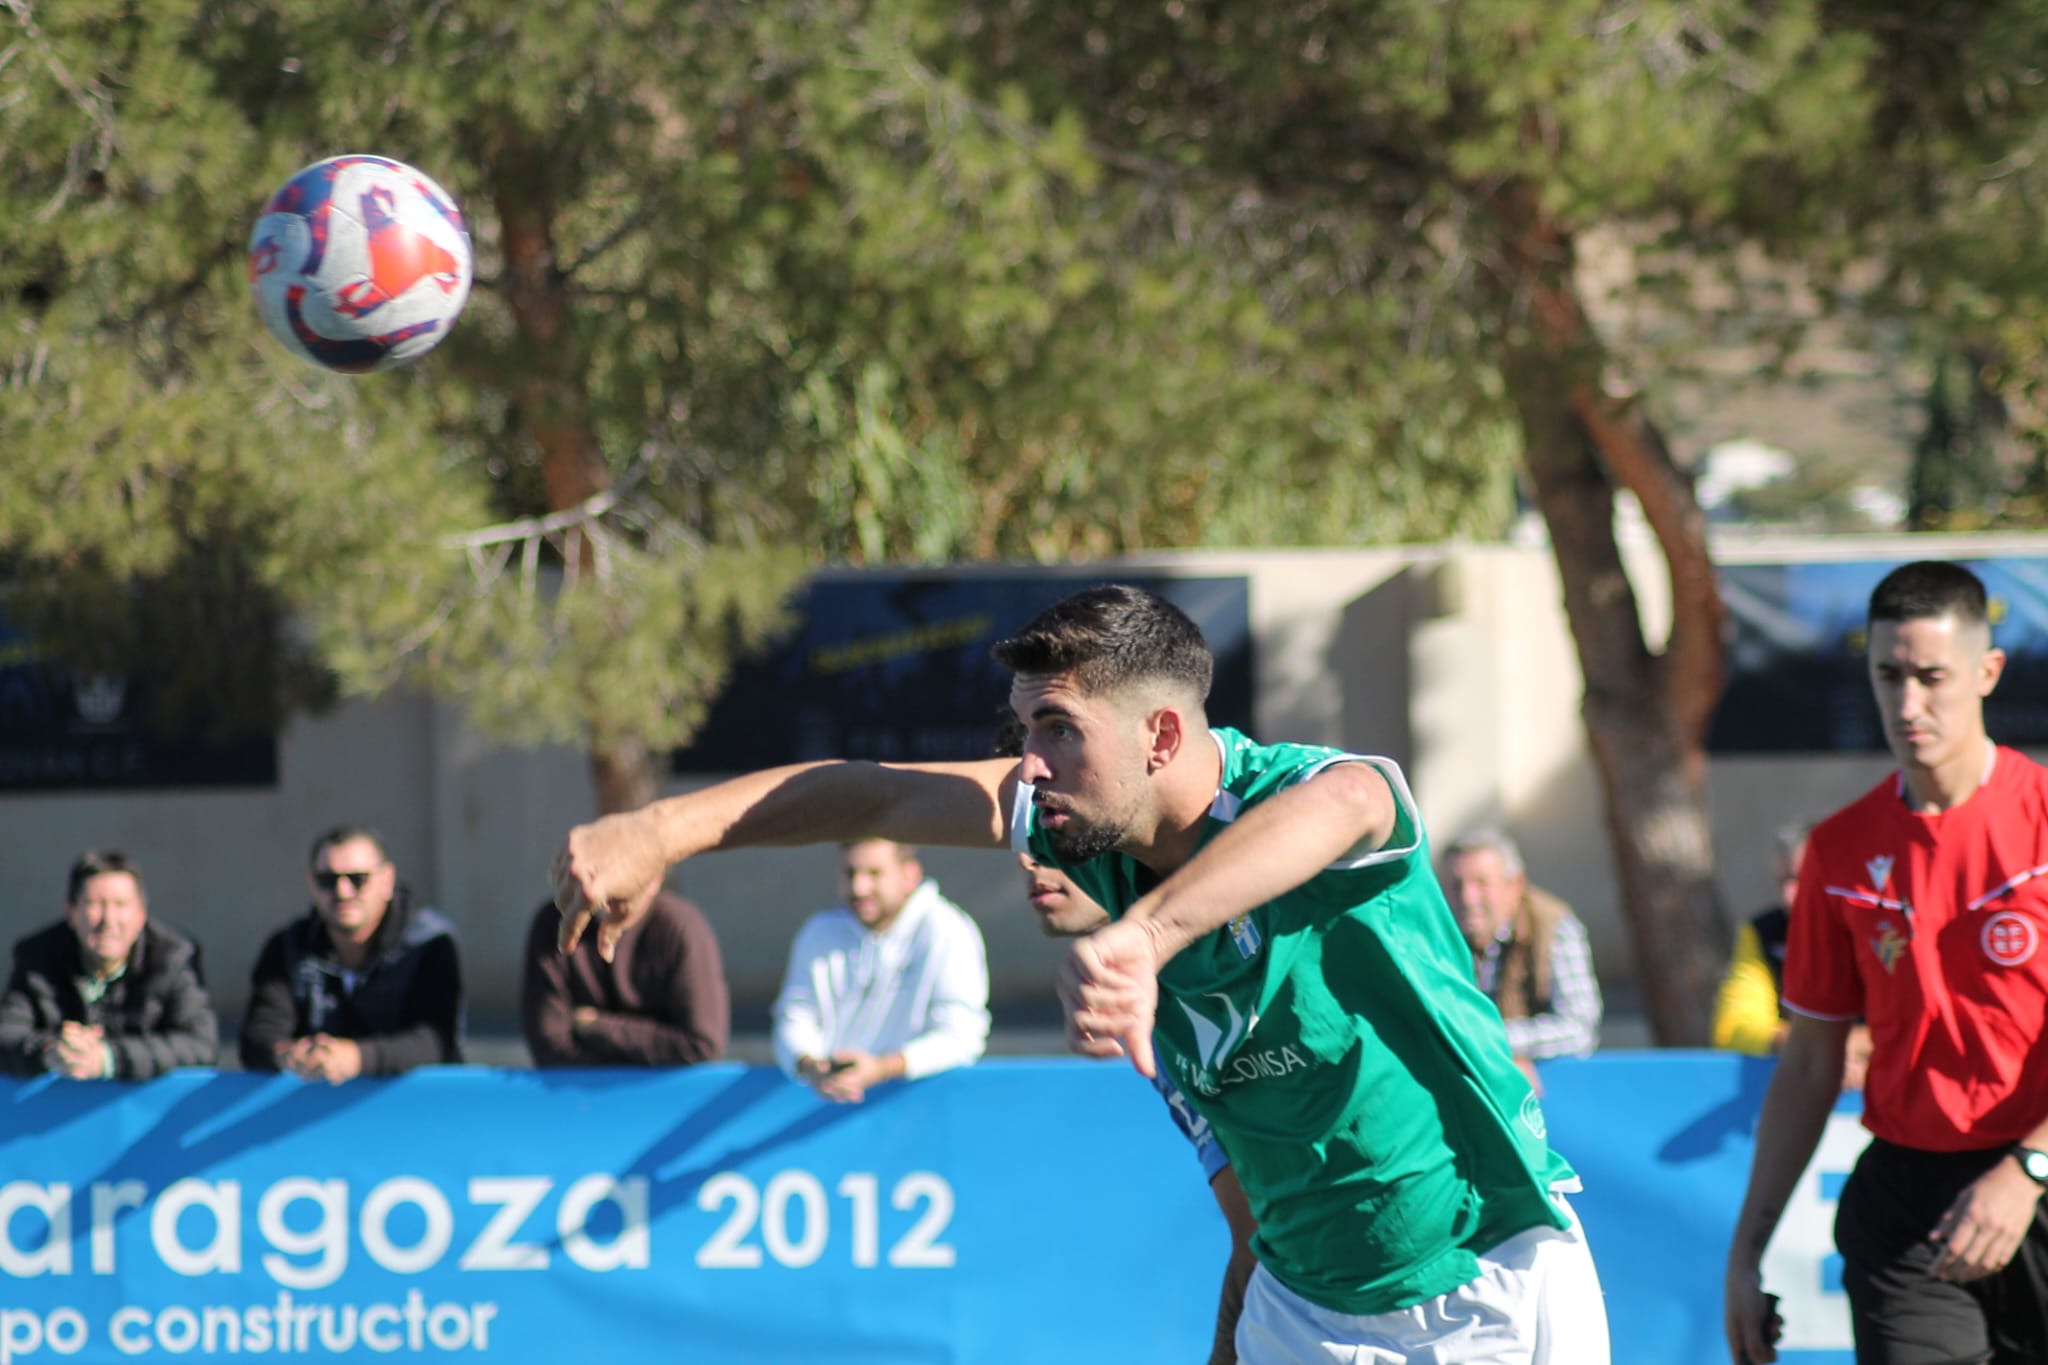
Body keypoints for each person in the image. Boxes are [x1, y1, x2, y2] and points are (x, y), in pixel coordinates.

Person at [555, 584, 1609, 1362]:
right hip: (1302, 1310)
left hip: (1485, 1281)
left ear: (1161, 734)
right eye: (1024, 731)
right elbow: (873, 793)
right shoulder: (1083, 835)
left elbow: (1349, 804)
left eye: (1057, 729)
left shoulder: (1306, 796)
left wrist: (1145, 938)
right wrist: (659, 829)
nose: (1029, 764)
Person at [1726, 561, 2048, 1365]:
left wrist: (2028, 1168)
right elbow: (1811, 1061)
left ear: (1987, 671)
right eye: (1888, 675)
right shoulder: (1839, 851)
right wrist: (1747, 1250)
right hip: (1909, 1209)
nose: (1907, 704)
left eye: (1931, 677)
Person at [1022, 850, 1258, 1365]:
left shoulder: (1205, 977)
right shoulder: (1156, 992)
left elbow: (1260, 1236)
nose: (1028, 858)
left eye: (1056, 829)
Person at [771, 839, 990, 1103]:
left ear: (910, 874)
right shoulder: (819, 931)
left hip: (925, 1109)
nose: (859, 888)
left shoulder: (948, 930)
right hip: (830, 1108)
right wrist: (813, 1067)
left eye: (874, 873)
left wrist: (883, 1069)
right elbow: (794, 1017)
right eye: (850, 873)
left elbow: (961, 1036)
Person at [241, 825, 464, 1081]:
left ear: (387, 881)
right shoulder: (288, 946)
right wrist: (290, 1055)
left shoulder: (428, 943)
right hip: (314, 1100)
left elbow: (435, 1042)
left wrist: (357, 1058)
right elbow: (258, 1036)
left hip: (415, 1101)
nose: (342, 892)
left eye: (358, 879)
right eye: (328, 880)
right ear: (311, 883)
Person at [0, 850, 217, 1079]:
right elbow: (7, 1034)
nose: (108, 920)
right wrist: (49, 1050)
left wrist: (109, 1058)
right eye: (94, 904)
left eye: (120, 904)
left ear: (141, 914)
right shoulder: (37, 958)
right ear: (71, 911)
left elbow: (200, 1046)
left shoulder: (173, 958)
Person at [1711, 820, 1873, 1090]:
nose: (1789, 896)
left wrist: (1859, 1045)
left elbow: (1927, 1025)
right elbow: (1734, 1029)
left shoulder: (1891, 930)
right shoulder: (1764, 934)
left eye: (1803, 880)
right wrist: (1812, 1047)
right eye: (1783, 881)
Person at [1441, 829, 1604, 1083]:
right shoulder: (1433, 935)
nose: (1468, 898)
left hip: (1546, 1091)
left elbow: (1580, 1029)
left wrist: (1493, 1041)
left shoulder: (1554, 927)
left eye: (1481, 883)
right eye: (1456, 885)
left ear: (1515, 884)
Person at [520, 889, 730, 1067]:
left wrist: (595, 1026)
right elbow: (550, 1047)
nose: (608, 883)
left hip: (664, 1096)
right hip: (578, 1096)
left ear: (655, 876)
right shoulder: (555, 925)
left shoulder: (680, 927)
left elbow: (701, 1046)